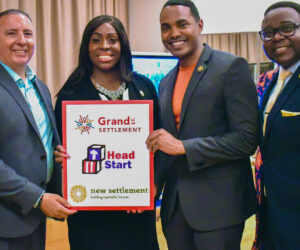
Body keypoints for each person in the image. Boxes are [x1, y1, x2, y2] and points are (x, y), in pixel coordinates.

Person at [146, 0, 259, 249]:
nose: (173, 33)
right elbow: (166, 145)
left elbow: (247, 139)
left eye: (182, 24)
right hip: (175, 210)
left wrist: (184, 147)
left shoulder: (230, 67)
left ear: (199, 25)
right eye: (166, 27)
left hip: (219, 208)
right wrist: (155, 181)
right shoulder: (166, 82)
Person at [54, 15, 160, 250]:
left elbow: (159, 145)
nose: (105, 46)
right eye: (96, 40)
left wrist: (152, 187)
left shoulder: (144, 88)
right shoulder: (70, 95)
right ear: (86, 46)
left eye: (112, 39)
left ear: (122, 45)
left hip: (137, 213)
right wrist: (59, 156)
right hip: (91, 217)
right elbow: (57, 148)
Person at [0, 9, 75, 250]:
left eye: (28, 34)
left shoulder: (39, 87)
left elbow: (40, 145)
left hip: (33, 222)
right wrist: (37, 198)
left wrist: (58, 155)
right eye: (11, 33)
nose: (22, 41)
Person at [253, 2, 300, 249]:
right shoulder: (266, 81)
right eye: (269, 33)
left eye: (288, 28)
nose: (278, 38)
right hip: (271, 210)